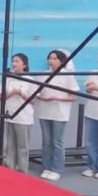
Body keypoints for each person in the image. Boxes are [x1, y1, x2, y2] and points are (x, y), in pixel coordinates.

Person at [33, 49, 76, 180]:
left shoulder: (67, 76)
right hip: (44, 111)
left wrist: (56, 98)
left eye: (54, 58)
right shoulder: (43, 75)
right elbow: (37, 91)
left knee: (57, 141)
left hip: (60, 113)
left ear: (61, 61)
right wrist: (40, 97)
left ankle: (56, 168)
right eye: (50, 58)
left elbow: (72, 96)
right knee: (46, 141)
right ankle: (46, 166)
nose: (51, 61)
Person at [0, 53, 38, 175]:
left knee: (22, 146)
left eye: (17, 61)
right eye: (13, 61)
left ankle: (21, 169)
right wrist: (11, 93)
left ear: (24, 65)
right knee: (8, 145)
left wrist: (21, 94)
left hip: (23, 117)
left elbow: (34, 101)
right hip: (8, 115)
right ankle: (8, 167)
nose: (14, 64)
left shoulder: (30, 80)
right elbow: (0, 97)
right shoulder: (8, 78)